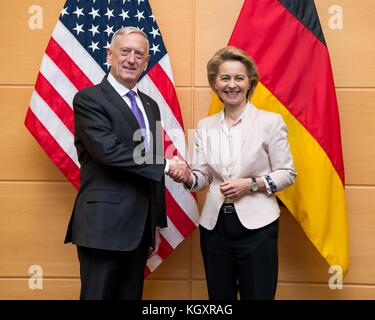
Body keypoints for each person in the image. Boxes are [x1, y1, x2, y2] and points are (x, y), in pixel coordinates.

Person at [64, 27, 187, 300]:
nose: (132, 59)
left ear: (146, 62)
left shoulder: (151, 105)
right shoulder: (88, 99)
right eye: (125, 51)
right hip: (102, 228)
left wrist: (154, 225)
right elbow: (109, 152)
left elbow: (150, 167)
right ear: (110, 54)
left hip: (139, 231)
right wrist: (167, 165)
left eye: (139, 54)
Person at [171, 46, 297, 300]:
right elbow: (202, 177)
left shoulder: (270, 122)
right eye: (225, 78)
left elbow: (287, 173)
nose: (232, 85)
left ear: (250, 82)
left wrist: (251, 184)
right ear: (215, 83)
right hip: (214, 227)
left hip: (258, 228)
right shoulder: (205, 126)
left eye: (239, 78)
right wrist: (186, 177)